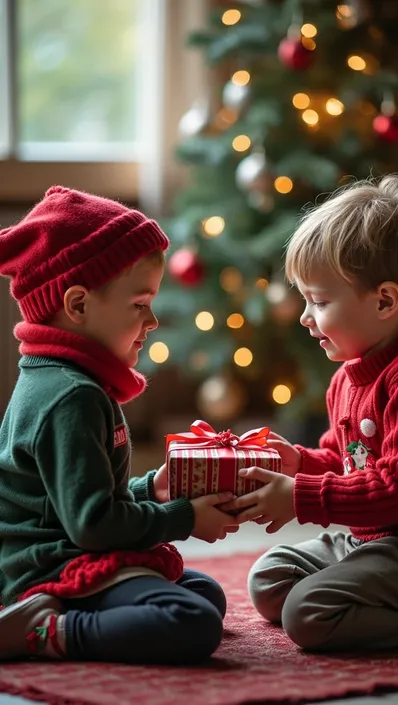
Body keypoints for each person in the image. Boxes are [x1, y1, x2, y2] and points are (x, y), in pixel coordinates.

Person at [225, 174, 398, 652]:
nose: (304, 317)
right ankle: (386, 601)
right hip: (374, 542)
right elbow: (346, 462)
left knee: (307, 614)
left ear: (384, 301)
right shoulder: (350, 375)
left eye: (319, 301)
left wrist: (300, 496)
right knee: (269, 580)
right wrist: (299, 464)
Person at [0, 186, 239, 664]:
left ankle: (61, 616)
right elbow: (93, 526)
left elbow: (79, 498)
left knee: (204, 592)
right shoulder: (72, 397)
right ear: (79, 305)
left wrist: (155, 490)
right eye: (139, 304)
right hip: (46, 569)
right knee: (190, 620)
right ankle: (42, 629)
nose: (151, 320)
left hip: (66, 550)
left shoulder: (66, 380)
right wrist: (186, 519)